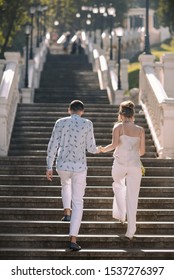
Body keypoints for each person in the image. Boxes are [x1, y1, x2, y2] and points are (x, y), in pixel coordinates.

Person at [46, 100, 100, 251]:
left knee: (65, 184)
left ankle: (66, 212)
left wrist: (49, 166)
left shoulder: (60, 122)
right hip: (80, 167)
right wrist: (99, 149)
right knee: (78, 201)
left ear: (69, 110)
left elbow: (52, 145)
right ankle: (73, 239)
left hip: (62, 164)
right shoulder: (87, 123)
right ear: (82, 111)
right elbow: (91, 148)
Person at [101, 100, 145, 240]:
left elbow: (113, 145)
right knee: (133, 197)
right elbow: (142, 152)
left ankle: (121, 214)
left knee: (118, 186)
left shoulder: (118, 127)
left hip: (120, 164)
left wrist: (102, 149)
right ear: (133, 115)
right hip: (134, 165)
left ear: (121, 114)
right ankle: (130, 231)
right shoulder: (140, 130)